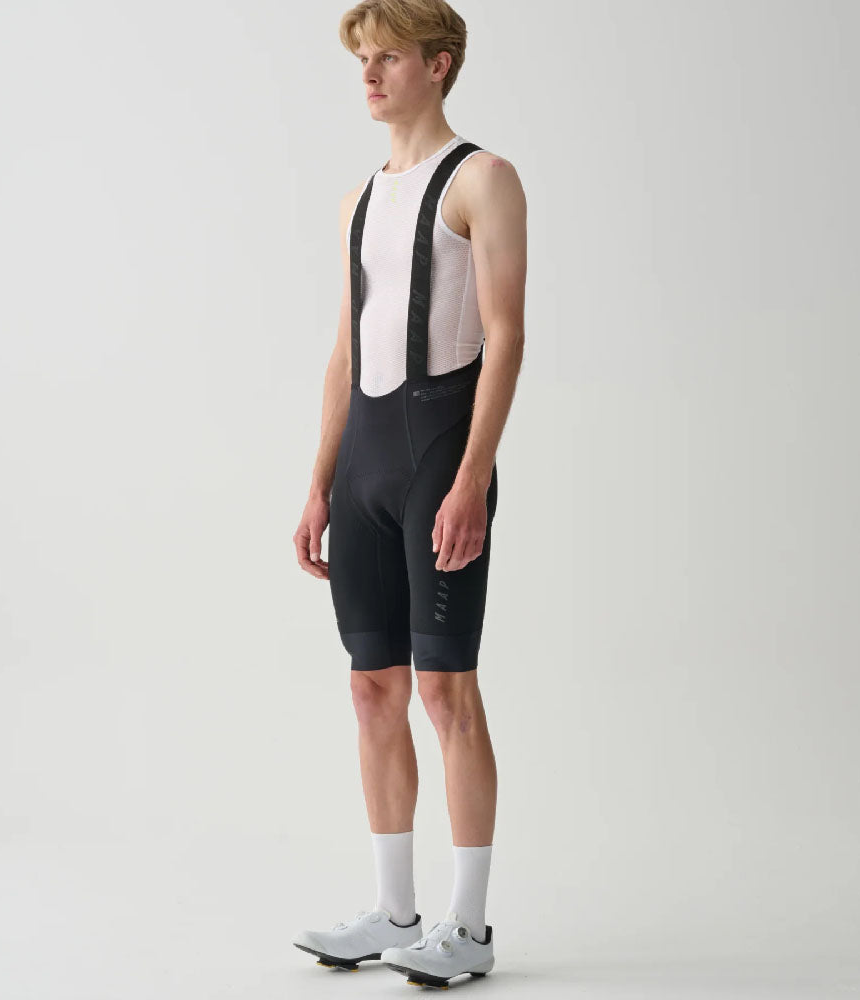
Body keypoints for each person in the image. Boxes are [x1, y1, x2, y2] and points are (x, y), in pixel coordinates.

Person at [291, 0, 526, 987]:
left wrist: (471, 476)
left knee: (446, 690)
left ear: (438, 65)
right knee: (372, 688)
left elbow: (506, 335)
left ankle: (468, 928)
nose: (369, 74)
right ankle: (394, 914)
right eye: (362, 59)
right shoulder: (360, 198)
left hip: (439, 455)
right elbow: (347, 349)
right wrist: (319, 483)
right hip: (365, 464)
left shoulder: (484, 178)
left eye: (387, 58)